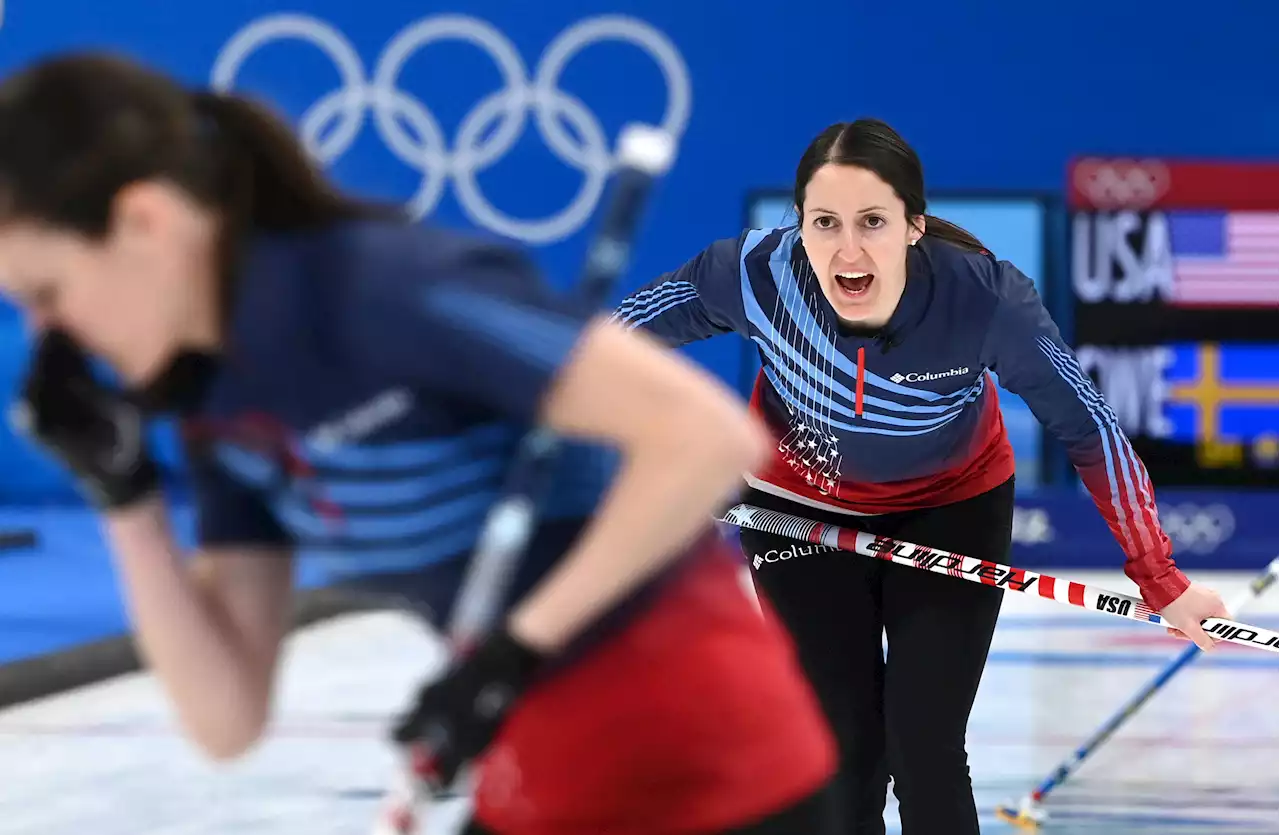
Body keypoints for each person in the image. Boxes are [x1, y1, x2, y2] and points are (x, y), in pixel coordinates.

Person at [0, 53, 844, 835]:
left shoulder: (382, 288)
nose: (43, 332)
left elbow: (704, 436)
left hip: (713, 773)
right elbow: (226, 717)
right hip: (544, 777)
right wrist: (126, 499)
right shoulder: (217, 399)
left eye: (46, 291)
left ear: (143, 221)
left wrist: (521, 645)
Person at [612, 117, 1231, 834]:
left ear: (913, 224)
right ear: (799, 227)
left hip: (951, 505)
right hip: (798, 512)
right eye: (824, 223)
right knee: (840, 750)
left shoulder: (984, 299)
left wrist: (1163, 579)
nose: (847, 250)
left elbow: (1088, 426)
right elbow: (605, 348)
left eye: (872, 221)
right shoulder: (752, 275)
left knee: (925, 745)